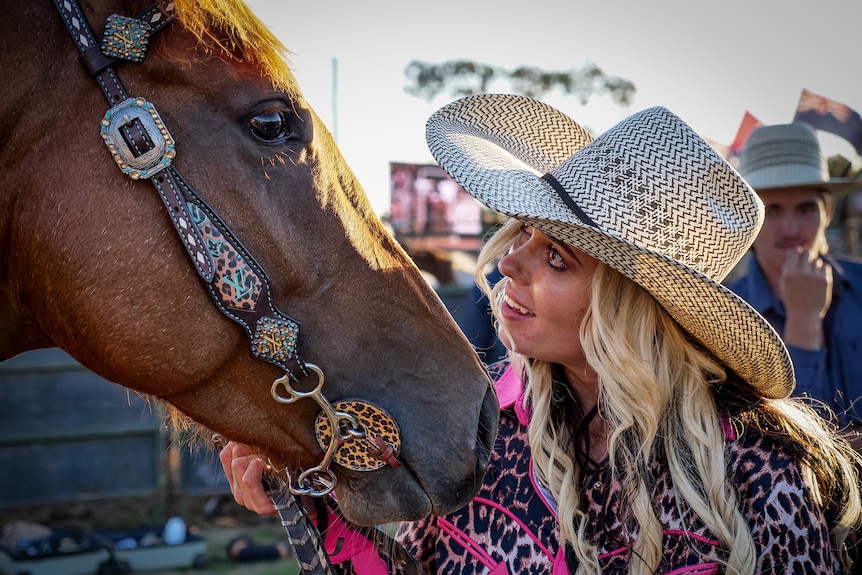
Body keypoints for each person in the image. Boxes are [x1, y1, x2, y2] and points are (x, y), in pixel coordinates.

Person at [219, 97, 862, 574]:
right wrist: (303, 485)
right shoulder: (485, 441)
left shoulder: (762, 477)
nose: (508, 263)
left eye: (557, 257)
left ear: (630, 309)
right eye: (523, 231)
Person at [727, 123, 862, 437]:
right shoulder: (726, 316)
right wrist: (804, 320)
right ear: (747, 216)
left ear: (826, 211)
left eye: (805, 209)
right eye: (771, 211)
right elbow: (784, 448)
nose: (790, 228)